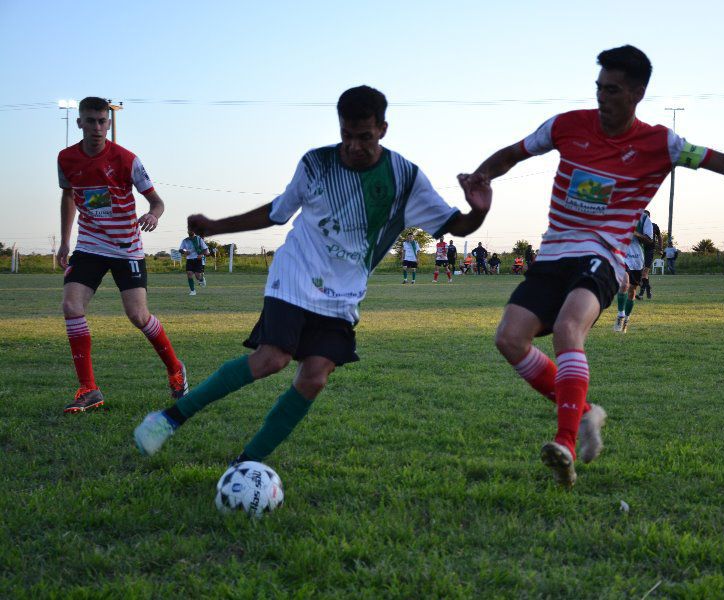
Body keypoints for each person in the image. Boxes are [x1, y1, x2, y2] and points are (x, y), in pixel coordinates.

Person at [458, 44, 724, 488]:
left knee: (571, 328)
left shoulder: (661, 143)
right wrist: (481, 177)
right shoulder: (566, 126)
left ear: (637, 93)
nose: (601, 98)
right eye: (598, 88)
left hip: (604, 257)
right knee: (509, 339)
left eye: (612, 90)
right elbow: (512, 153)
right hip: (553, 254)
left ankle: (566, 444)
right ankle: (586, 413)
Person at [134, 85, 491, 464]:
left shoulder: (405, 178)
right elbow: (277, 211)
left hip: (344, 292)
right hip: (296, 273)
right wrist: (216, 226)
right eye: (346, 135)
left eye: (364, 137)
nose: (354, 146)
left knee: (315, 375)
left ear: (383, 129)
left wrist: (480, 209)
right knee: (272, 358)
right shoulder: (316, 163)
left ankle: (247, 464)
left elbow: (459, 225)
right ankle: (169, 420)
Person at [57, 96, 188, 414]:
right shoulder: (66, 159)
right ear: (80, 123)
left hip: (126, 247)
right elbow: (69, 197)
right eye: (91, 121)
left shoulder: (127, 159)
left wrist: (154, 215)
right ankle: (89, 389)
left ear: (109, 123)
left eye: (103, 121)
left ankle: (175, 369)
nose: (97, 127)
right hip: (89, 246)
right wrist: (64, 242)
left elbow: (156, 201)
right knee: (71, 305)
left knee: (138, 316)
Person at [614, 212, 653, 333]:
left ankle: (626, 319)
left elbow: (648, 240)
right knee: (624, 284)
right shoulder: (616, 214)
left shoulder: (644, 219)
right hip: (620, 253)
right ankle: (620, 315)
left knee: (632, 291)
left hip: (636, 257)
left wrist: (634, 232)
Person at [635, 210, 660, 299]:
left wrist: (660, 248)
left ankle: (641, 294)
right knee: (643, 273)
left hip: (649, 250)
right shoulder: (640, 226)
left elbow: (659, 236)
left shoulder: (654, 226)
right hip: (641, 250)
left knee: (645, 272)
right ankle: (648, 290)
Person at [179, 229, 211, 295]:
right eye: (189, 230)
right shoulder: (185, 240)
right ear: (187, 231)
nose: (190, 231)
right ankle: (193, 291)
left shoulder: (199, 239)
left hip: (198, 259)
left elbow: (205, 249)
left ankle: (201, 279)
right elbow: (180, 250)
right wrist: (185, 252)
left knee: (197, 276)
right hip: (189, 259)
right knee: (189, 273)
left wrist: (201, 255)